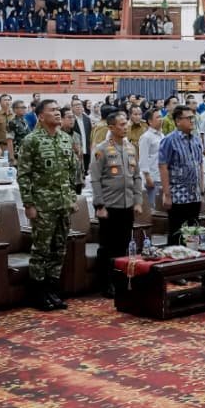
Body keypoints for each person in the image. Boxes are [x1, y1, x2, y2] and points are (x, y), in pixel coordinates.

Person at [18, 99, 79, 312]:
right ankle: (38, 293)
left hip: (63, 204)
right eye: (52, 110)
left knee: (59, 249)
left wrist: (72, 197)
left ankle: (52, 289)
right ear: (41, 116)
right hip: (43, 205)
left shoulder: (65, 139)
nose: (57, 113)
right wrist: (28, 204)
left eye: (58, 110)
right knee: (41, 250)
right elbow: (23, 175)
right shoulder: (31, 140)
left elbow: (71, 172)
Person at [89, 110, 144, 297]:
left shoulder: (131, 148)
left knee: (123, 245)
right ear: (111, 127)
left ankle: (120, 280)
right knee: (107, 247)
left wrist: (138, 201)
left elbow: (137, 176)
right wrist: (99, 205)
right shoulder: (101, 149)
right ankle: (105, 283)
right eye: (121, 124)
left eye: (126, 123)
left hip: (127, 206)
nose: (125, 127)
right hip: (109, 206)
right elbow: (95, 179)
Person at [159, 105, 205, 245]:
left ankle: (192, 256)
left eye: (193, 117)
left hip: (194, 195)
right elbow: (163, 166)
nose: (192, 121)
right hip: (178, 195)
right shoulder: (169, 140)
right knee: (177, 233)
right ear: (178, 121)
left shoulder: (196, 139)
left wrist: (202, 190)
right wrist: (167, 194)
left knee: (193, 232)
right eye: (189, 118)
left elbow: (200, 165)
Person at [138, 109, 163, 212]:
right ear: (150, 121)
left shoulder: (161, 135)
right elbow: (143, 159)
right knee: (153, 207)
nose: (161, 119)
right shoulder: (146, 137)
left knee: (160, 207)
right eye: (158, 117)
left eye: (161, 116)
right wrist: (147, 177)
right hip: (152, 177)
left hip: (161, 175)